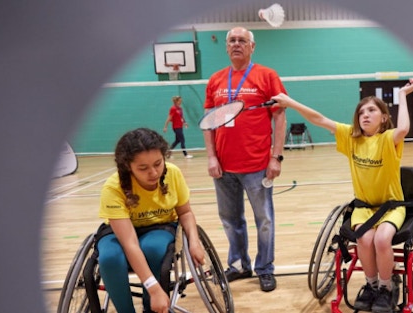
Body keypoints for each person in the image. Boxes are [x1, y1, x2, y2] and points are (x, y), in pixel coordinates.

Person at [272, 78, 413, 313]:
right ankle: (371, 286)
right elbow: (319, 119)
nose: (365, 115)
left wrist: (402, 94)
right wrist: (290, 102)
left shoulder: (388, 139)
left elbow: (403, 129)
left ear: (383, 117)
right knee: (364, 239)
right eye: (361, 112)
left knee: (382, 240)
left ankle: (386, 286)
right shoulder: (351, 137)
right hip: (363, 207)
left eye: (372, 110)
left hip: (391, 207)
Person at [202, 26, 287, 292]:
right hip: (224, 167)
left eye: (242, 40)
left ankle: (265, 268)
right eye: (232, 40)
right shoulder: (215, 80)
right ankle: (239, 265)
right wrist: (211, 157)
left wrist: (276, 157)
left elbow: (280, 117)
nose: (237, 44)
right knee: (231, 220)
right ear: (226, 47)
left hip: (257, 166)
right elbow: (208, 123)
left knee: (264, 220)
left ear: (252, 47)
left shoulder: (267, 75)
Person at [96, 127, 205, 313]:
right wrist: (154, 289)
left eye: (158, 163)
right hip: (121, 231)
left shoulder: (173, 173)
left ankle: (152, 309)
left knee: (153, 249)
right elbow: (130, 243)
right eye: (143, 168)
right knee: (109, 258)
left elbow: (185, 212)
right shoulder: (113, 187)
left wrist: (194, 242)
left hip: (160, 227)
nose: (153, 172)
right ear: (127, 166)